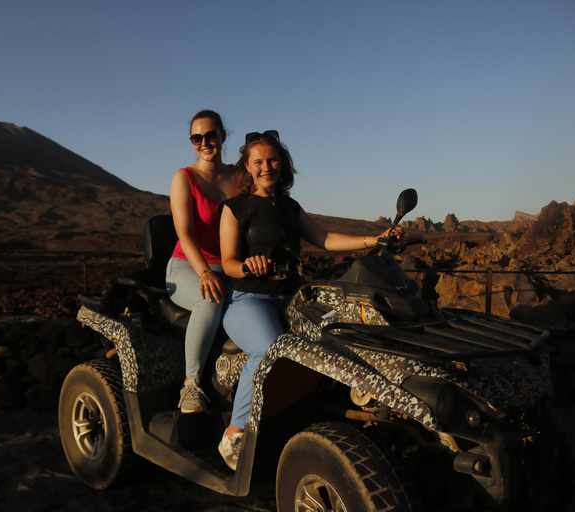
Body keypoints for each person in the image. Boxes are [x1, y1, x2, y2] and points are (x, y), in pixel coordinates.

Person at [217, 130, 403, 470]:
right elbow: (227, 260)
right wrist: (247, 264)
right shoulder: (236, 207)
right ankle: (234, 431)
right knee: (270, 348)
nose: (266, 167)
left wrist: (373, 240)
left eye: (272, 159)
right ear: (247, 166)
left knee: (340, 336)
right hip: (248, 299)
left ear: (282, 163)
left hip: (293, 298)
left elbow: (326, 238)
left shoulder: (289, 206)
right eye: (257, 162)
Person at [166, 110, 235, 414]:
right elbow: (185, 233)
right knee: (210, 299)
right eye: (197, 137)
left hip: (230, 266)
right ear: (192, 141)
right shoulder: (184, 178)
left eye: (210, 135)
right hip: (188, 267)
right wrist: (205, 272)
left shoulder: (238, 175)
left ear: (223, 135)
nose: (205, 142)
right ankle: (191, 384)